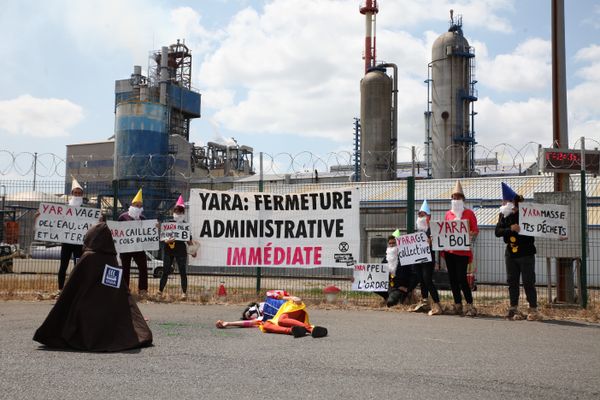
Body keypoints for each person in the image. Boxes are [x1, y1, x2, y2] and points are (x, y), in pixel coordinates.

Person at [33, 222, 153, 352]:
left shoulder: (88, 257)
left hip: (85, 313)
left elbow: (71, 288)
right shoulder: (112, 259)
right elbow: (120, 292)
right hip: (108, 316)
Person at [495, 183, 541, 321]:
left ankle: (533, 309)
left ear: (514, 202)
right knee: (512, 281)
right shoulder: (503, 215)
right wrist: (511, 229)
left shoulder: (526, 213)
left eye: (508, 201)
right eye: (504, 201)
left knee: (528, 281)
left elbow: (537, 229)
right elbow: (498, 232)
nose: (505, 203)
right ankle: (513, 308)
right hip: (510, 253)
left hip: (526, 253)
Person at [216, 290, 328, 338]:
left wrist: (286, 298)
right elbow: (247, 323)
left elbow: (296, 299)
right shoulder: (263, 318)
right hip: (285, 319)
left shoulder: (270, 296)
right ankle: (295, 331)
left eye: (249, 312)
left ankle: (309, 329)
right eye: (249, 315)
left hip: (292, 308)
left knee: (281, 319)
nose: (250, 315)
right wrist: (227, 323)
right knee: (266, 326)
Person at [442, 180, 479, 317]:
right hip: (450, 251)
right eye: (453, 197)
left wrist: (469, 234)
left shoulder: (469, 213)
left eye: (458, 197)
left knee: (462, 278)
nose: (455, 199)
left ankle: (470, 305)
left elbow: (475, 230)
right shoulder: (448, 214)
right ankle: (458, 304)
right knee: (452, 278)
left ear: (463, 199)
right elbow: (444, 231)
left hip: (463, 251)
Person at [157, 195, 196, 301]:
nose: (178, 214)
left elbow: (189, 240)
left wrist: (193, 251)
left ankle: (184, 293)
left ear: (183, 213)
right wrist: (166, 240)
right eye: (177, 212)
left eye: (180, 212)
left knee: (183, 272)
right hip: (168, 250)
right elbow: (163, 237)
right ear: (173, 213)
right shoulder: (169, 223)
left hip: (181, 251)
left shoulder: (185, 226)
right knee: (165, 271)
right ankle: (160, 292)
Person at [54, 178, 85, 297]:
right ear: (72, 194)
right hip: (66, 242)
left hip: (79, 243)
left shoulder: (86, 209)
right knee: (63, 266)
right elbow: (56, 220)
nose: (77, 195)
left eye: (79, 193)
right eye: (75, 193)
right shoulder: (65, 208)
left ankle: (78, 291)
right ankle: (60, 290)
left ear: (82, 195)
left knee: (78, 267)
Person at [411, 200, 442, 316]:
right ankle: (424, 302)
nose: (420, 216)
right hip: (418, 258)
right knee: (421, 280)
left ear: (428, 217)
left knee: (427, 279)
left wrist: (431, 241)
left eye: (423, 214)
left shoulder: (432, 229)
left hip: (428, 259)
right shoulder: (418, 230)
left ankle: (437, 304)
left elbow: (437, 242)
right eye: (419, 214)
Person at [118, 188, 149, 298]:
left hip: (138, 248)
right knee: (125, 269)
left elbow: (148, 233)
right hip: (126, 248)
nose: (138, 207)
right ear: (132, 205)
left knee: (143, 268)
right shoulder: (123, 217)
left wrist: (155, 228)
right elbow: (118, 232)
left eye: (140, 206)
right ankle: (125, 289)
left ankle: (143, 289)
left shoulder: (143, 218)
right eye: (136, 205)